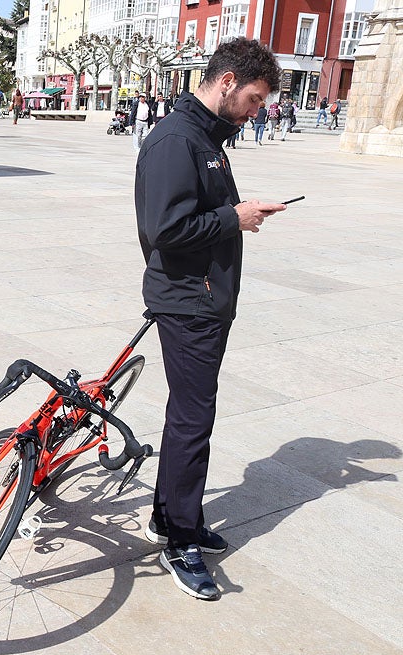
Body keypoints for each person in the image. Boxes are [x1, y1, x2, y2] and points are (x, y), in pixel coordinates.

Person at [135, 36, 286, 601]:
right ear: (226, 82)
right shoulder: (177, 141)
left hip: (205, 299)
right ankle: (178, 538)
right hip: (188, 301)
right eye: (252, 99)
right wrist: (235, 217)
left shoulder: (204, 137)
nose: (256, 112)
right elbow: (165, 231)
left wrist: (234, 214)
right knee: (193, 421)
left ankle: (171, 516)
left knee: (189, 416)